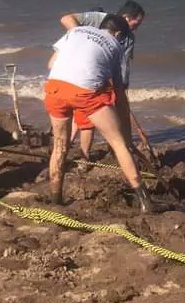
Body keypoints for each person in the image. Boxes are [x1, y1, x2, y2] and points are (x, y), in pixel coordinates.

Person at [44, 13, 150, 210]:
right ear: (117, 33)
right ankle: (146, 201)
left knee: (60, 146)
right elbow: (118, 93)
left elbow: (51, 64)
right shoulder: (116, 45)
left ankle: (55, 200)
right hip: (85, 92)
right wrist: (126, 137)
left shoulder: (74, 32)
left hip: (54, 87)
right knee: (119, 145)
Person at [59, 1, 146, 160]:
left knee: (91, 117)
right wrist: (80, 36)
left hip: (101, 78)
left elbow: (123, 67)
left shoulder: (129, 39)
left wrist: (121, 90)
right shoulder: (99, 18)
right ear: (126, 18)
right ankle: (79, 156)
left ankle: (119, 147)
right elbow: (66, 19)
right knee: (84, 120)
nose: (137, 27)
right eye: (137, 23)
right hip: (78, 74)